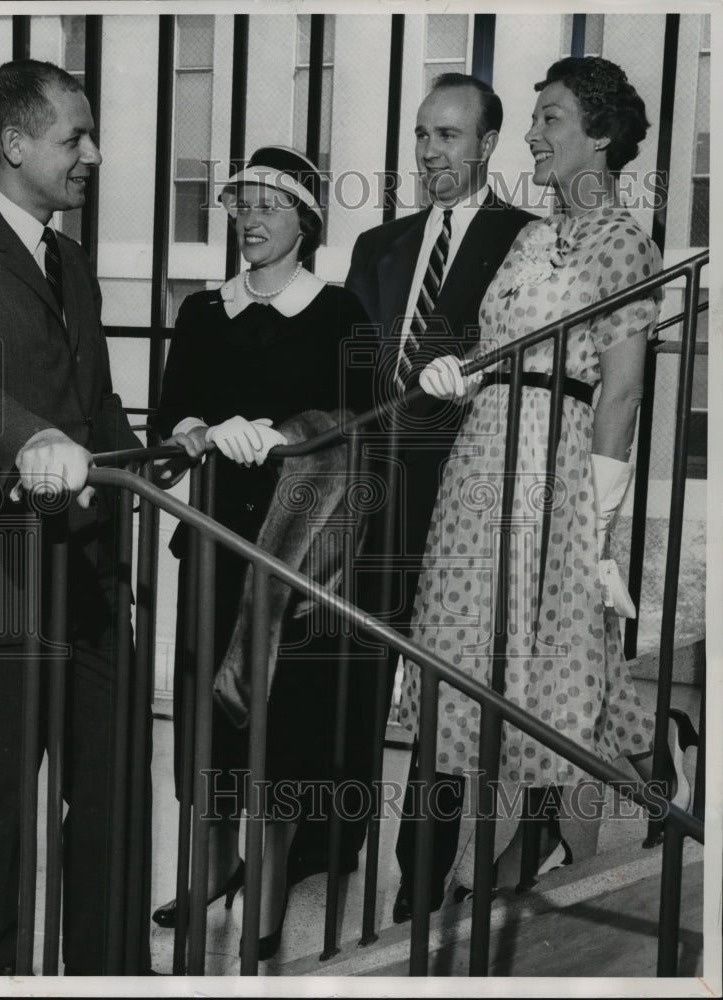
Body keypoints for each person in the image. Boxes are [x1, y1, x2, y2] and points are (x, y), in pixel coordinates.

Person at [400, 56, 663, 897]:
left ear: (601, 136)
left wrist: (599, 520)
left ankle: (650, 770)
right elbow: (498, 347)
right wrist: (460, 374)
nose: (530, 133)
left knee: (555, 653)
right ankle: (617, 782)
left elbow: (620, 388)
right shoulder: (526, 234)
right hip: (484, 452)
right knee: (467, 647)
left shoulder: (626, 240)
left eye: (549, 118)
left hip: (556, 459)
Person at [0, 60, 150, 974]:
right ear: (14, 143)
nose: (94, 155)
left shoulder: (66, 259)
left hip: (90, 572)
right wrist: (31, 442)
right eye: (76, 137)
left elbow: (94, 404)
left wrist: (160, 441)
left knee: (114, 796)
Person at [152, 146, 375, 959]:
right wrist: (199, 432)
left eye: (270, 205)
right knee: (208, 716)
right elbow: (170, 422)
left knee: (281, 723)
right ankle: (213, 866)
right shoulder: (203, 313)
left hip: (297, 557)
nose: (251, 219)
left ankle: (269, 884)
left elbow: (358, 430)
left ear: (306, 222)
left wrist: (285, 436)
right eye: (241, 204)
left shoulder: (339, 312)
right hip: (213, 538)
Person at [342, 73, 536, 923]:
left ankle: (419, 879)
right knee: (357, 669)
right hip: (371, 492)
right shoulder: (378, 246)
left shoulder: (528, 241)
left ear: (487, 143)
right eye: (421, 135)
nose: (428, 153)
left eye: (447, 136)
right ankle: (329, 845)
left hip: (464, 494)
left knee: (445, 694)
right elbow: (347, 368)